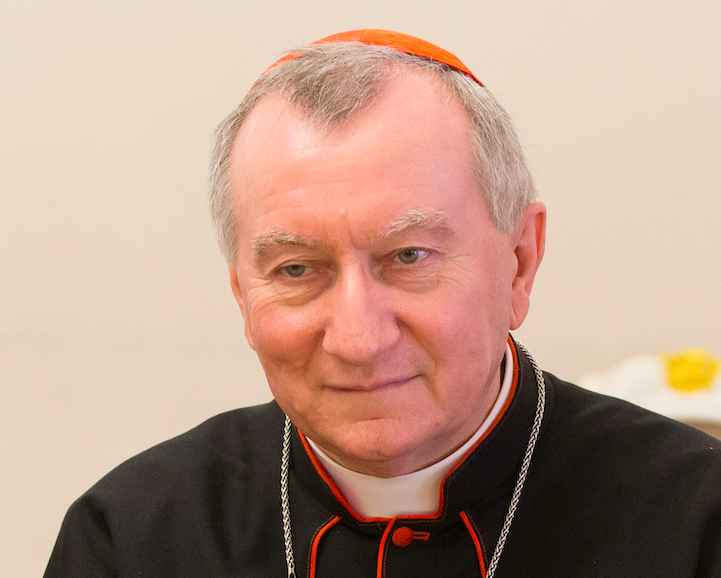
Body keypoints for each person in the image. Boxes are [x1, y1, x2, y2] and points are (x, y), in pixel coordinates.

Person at [45, 29, 721, 578]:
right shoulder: (132, 536)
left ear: (519, 261)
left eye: (408, 257)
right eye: (296, 269)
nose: (359, 339)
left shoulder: (696, 520)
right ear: (242, 296)